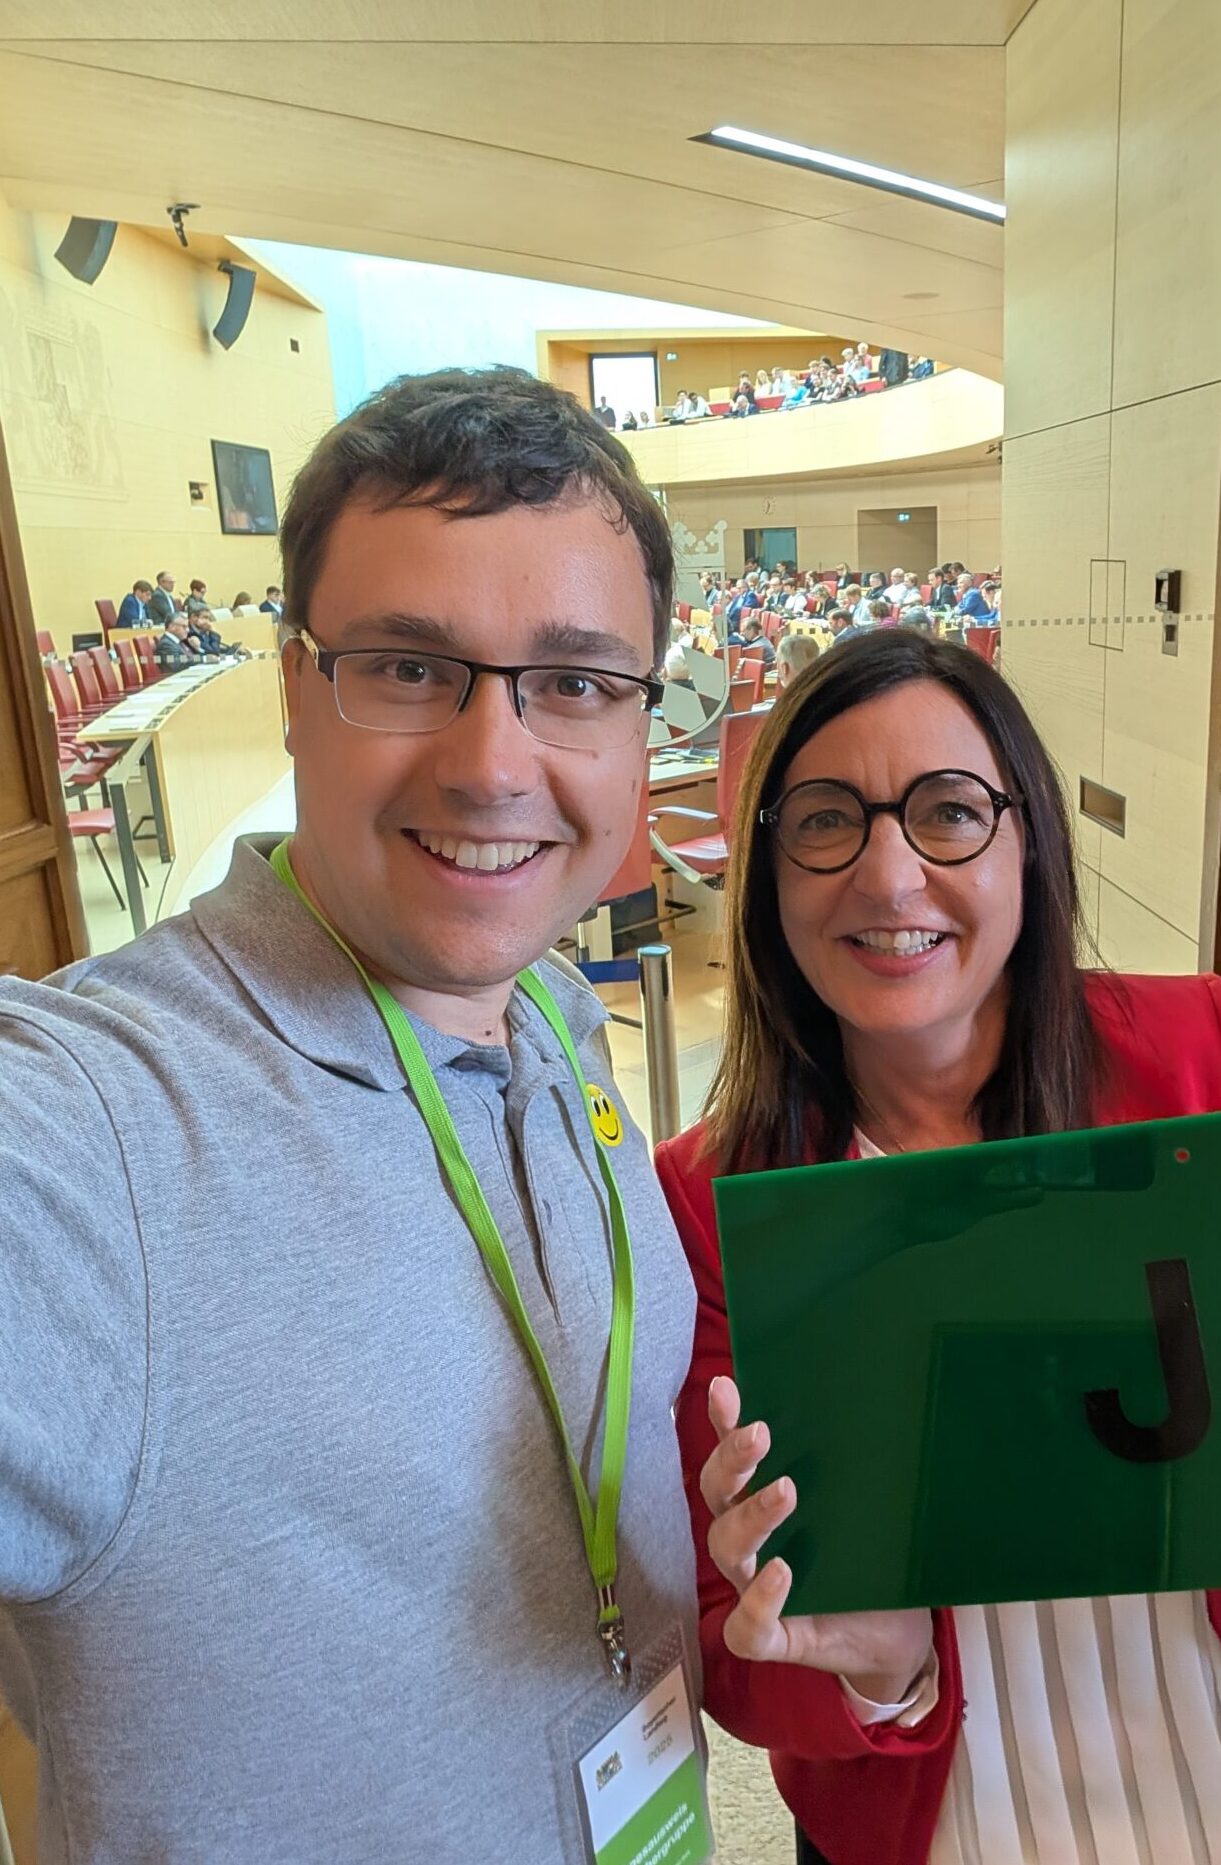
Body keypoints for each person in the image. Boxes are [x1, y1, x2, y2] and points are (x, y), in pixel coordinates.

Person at [0, 366, 704, 1862]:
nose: (494, 762)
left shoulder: (558, 1020)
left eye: (574, 682)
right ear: (293, 688)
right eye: (407, 665)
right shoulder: (96, 1132)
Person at [654, 628, 1221, 1865]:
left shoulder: (1204, 1059)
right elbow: (723, 1625)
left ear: (1027, 837)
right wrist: (876, 1663)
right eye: (827, 820)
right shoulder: (704, 1200)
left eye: (948, 811)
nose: (889, 877)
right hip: (932, 1824)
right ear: (768, 870)